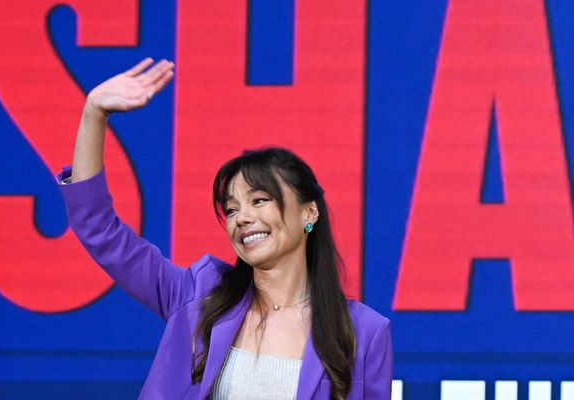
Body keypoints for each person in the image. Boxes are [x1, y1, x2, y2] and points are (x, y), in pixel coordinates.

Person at [58, 58, 391, 399]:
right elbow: (98, 228)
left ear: (309, 212)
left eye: (260, 200)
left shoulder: (362, 334)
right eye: (231, 209)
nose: (241, 218)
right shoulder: (197, 298)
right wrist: (94, 114)